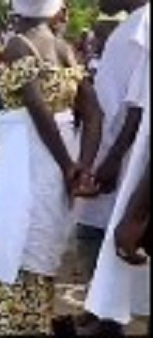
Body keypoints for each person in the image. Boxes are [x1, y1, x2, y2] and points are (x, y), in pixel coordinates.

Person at [0, 0, 101, 334]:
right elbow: (94, 114)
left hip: (31, 160)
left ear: (17, 11)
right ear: (57, 11)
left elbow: (38, 111)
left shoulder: (18, 44)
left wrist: (68, 165)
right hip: (56, 162)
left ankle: (15, 324)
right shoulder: (65, 49)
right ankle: (33, 320)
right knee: (40, 242)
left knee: (17, 239)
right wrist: (82, 167)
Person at [82, 0, 150, 334]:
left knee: (102, 253)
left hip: (126, 177)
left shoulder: (142, 29)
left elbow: (135, 114)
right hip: (117, 172)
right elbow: (134, 104)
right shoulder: (131, 28)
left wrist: (112, 159)